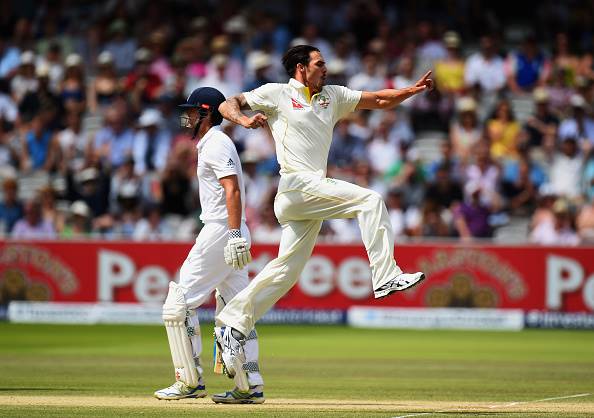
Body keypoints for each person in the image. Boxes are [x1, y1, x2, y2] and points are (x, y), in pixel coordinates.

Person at [213, 45, 430, 382]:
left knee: (287, 271)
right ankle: (385, 275)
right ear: (301, 68)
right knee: (371, 200)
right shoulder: (276, 93)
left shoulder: (333, 96)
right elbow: (230, 102)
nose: (325, 69)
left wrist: (410, 91)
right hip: (296, 186)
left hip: (306, 198)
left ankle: (232, 323)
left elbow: (381, 100)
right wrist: (243, 120)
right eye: (319, 63)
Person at [153, 87, 264, 404]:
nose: (185, 117)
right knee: (235, 310)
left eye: (191, 111)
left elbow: (232, 191)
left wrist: (231, 235)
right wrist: (237, 233)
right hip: (230, 229)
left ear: (207, 113)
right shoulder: (214, 143)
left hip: (220, 230)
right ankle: (249, 385)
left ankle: (188, 380)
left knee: (178, 304)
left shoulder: (215, 143)